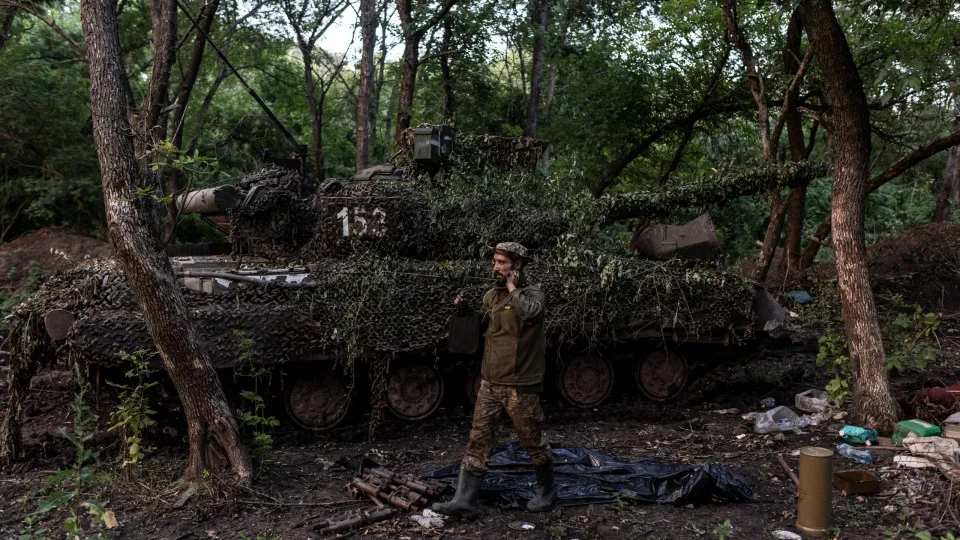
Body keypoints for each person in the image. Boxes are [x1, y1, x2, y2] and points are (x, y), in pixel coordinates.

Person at [432, 242, 556, 517]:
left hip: (519, 385)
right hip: (490, 382)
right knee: (478, 438)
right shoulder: (492, 296)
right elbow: (484, 329)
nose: (495, 267)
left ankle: (548, 492)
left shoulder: (533, 295)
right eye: (495, 262)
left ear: (517, 266)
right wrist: (464, 311)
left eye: (501, 262)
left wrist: (513, 288)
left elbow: (531, 314)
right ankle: (465, 499)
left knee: (532, 440)